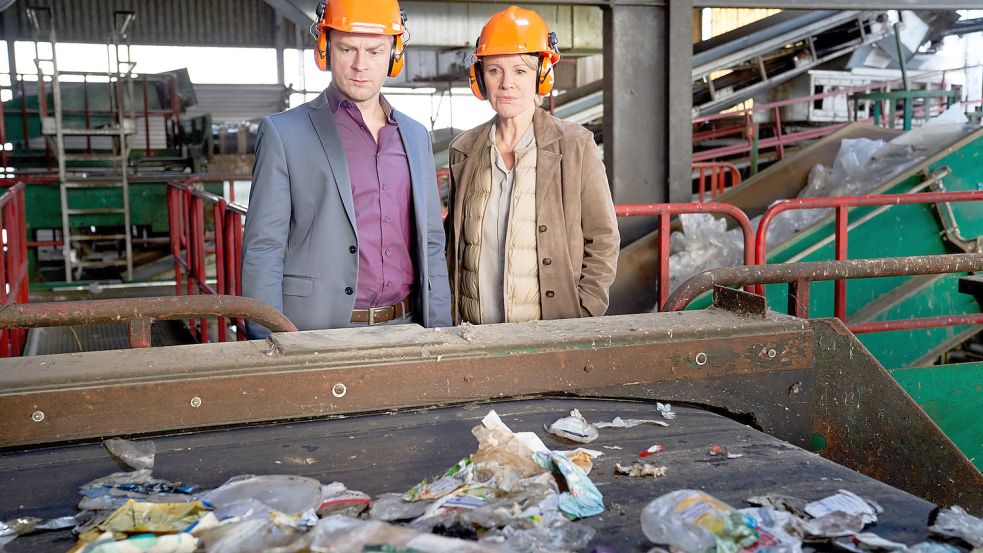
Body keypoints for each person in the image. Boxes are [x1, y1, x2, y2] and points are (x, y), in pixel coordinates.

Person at [241, 0, 451, 337]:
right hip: (315, 331)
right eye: (347, 48)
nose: (360, 65)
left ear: (394, 56)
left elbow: (430, 243)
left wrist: (441, 330)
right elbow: (264, 247)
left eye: (374, 51)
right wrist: (268, 339)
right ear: (324, 50)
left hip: (408, 326)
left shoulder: (415, 136)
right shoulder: (284, 133)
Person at [444, 5, 619, 325]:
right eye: (495, 70)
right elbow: (453, 247)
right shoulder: (464, 151)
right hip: (473, 334)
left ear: (542, 76)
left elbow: (603, 238)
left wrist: (583, 311)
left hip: (547, 334)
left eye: (520, 70)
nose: (506, 83)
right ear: (480, 78)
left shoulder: (575, 145)